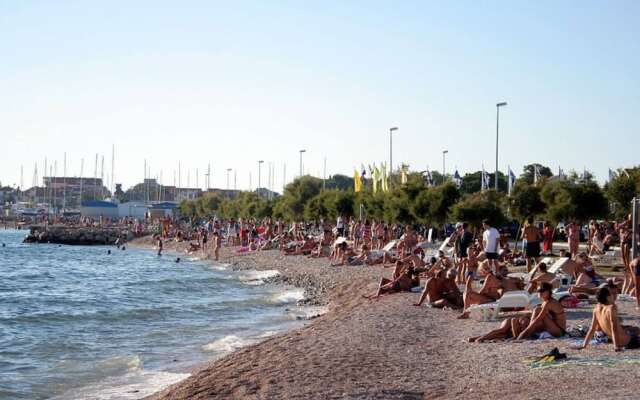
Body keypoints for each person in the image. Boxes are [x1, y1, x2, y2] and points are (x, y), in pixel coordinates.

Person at [578, 287, 640, 351]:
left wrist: (584, 345)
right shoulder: (611, 308)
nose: (613, 296)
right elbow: (614, 328)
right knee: (635, 331)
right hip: (628, 342)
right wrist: (616, 347)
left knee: (633, 329)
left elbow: (592, 328)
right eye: (611, 294)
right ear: (607, 297)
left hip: (619, 341)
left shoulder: (596, 309)